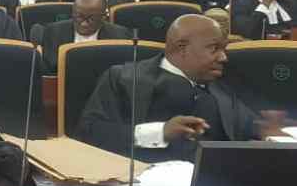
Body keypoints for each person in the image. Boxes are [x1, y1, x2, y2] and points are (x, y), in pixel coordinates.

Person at [77, 15, 279, 163]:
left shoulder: (220, 85)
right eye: (214, 48)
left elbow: (250, 129)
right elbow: (90, 133)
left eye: (224, 49)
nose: (224, 57)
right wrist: (160, 132)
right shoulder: (123, 78)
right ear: (182, 48)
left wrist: (267, 130)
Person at [40, 0, 131, 73]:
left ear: (104, 17)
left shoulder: (119, 36)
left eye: (91, 19)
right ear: (73, 12)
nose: (84, 24)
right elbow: (49, 70)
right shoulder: (54, 31)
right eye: (79, 17)